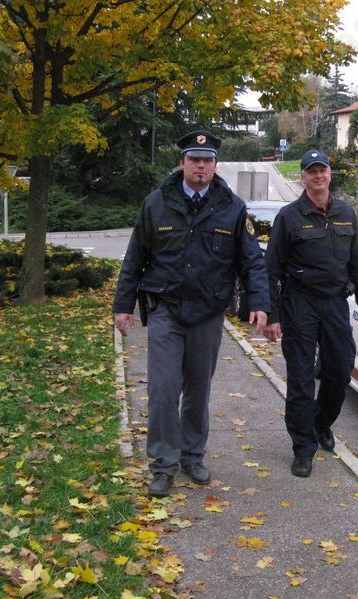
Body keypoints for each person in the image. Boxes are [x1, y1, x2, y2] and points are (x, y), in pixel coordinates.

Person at [113, 130, 269, 497]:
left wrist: (260, 303)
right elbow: (135, 257)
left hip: (207, 313)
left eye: (207, 160)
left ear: (215, 165)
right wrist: (122, 305)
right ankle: (163, 464)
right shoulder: (156, 203)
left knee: (198, 392)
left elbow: (251, 261)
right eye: (195, 159)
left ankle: (192, 455)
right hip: (165, 309)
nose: (201, 165)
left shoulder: (232, 207)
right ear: (182, 162)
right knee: (164, 390)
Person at [264, 149, 358, 478]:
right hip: (299, 303)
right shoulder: (289, 216)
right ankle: (303, 448)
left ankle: (320, 424)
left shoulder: (345, 213)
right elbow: (271, 269)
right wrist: (272, 315)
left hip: (335, 303)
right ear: (303, 178)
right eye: (311, 171)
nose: (318, 175)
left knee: (340, 371)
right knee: (300, 379)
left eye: (322, 170)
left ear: (329, 174)